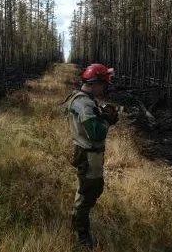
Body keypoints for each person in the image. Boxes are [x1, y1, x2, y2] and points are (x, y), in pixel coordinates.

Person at [64, 63, 119, 249]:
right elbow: (96, 133)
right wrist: (107, 119)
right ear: (94, 83)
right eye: (103, 84)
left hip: (87, 154)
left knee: (88, 190)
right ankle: (82, 233)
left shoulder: (81, 98)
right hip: (89, 156)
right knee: (88, 193)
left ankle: (76, 220)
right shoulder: (84, 103)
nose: (104, 87)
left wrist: (101, 113)